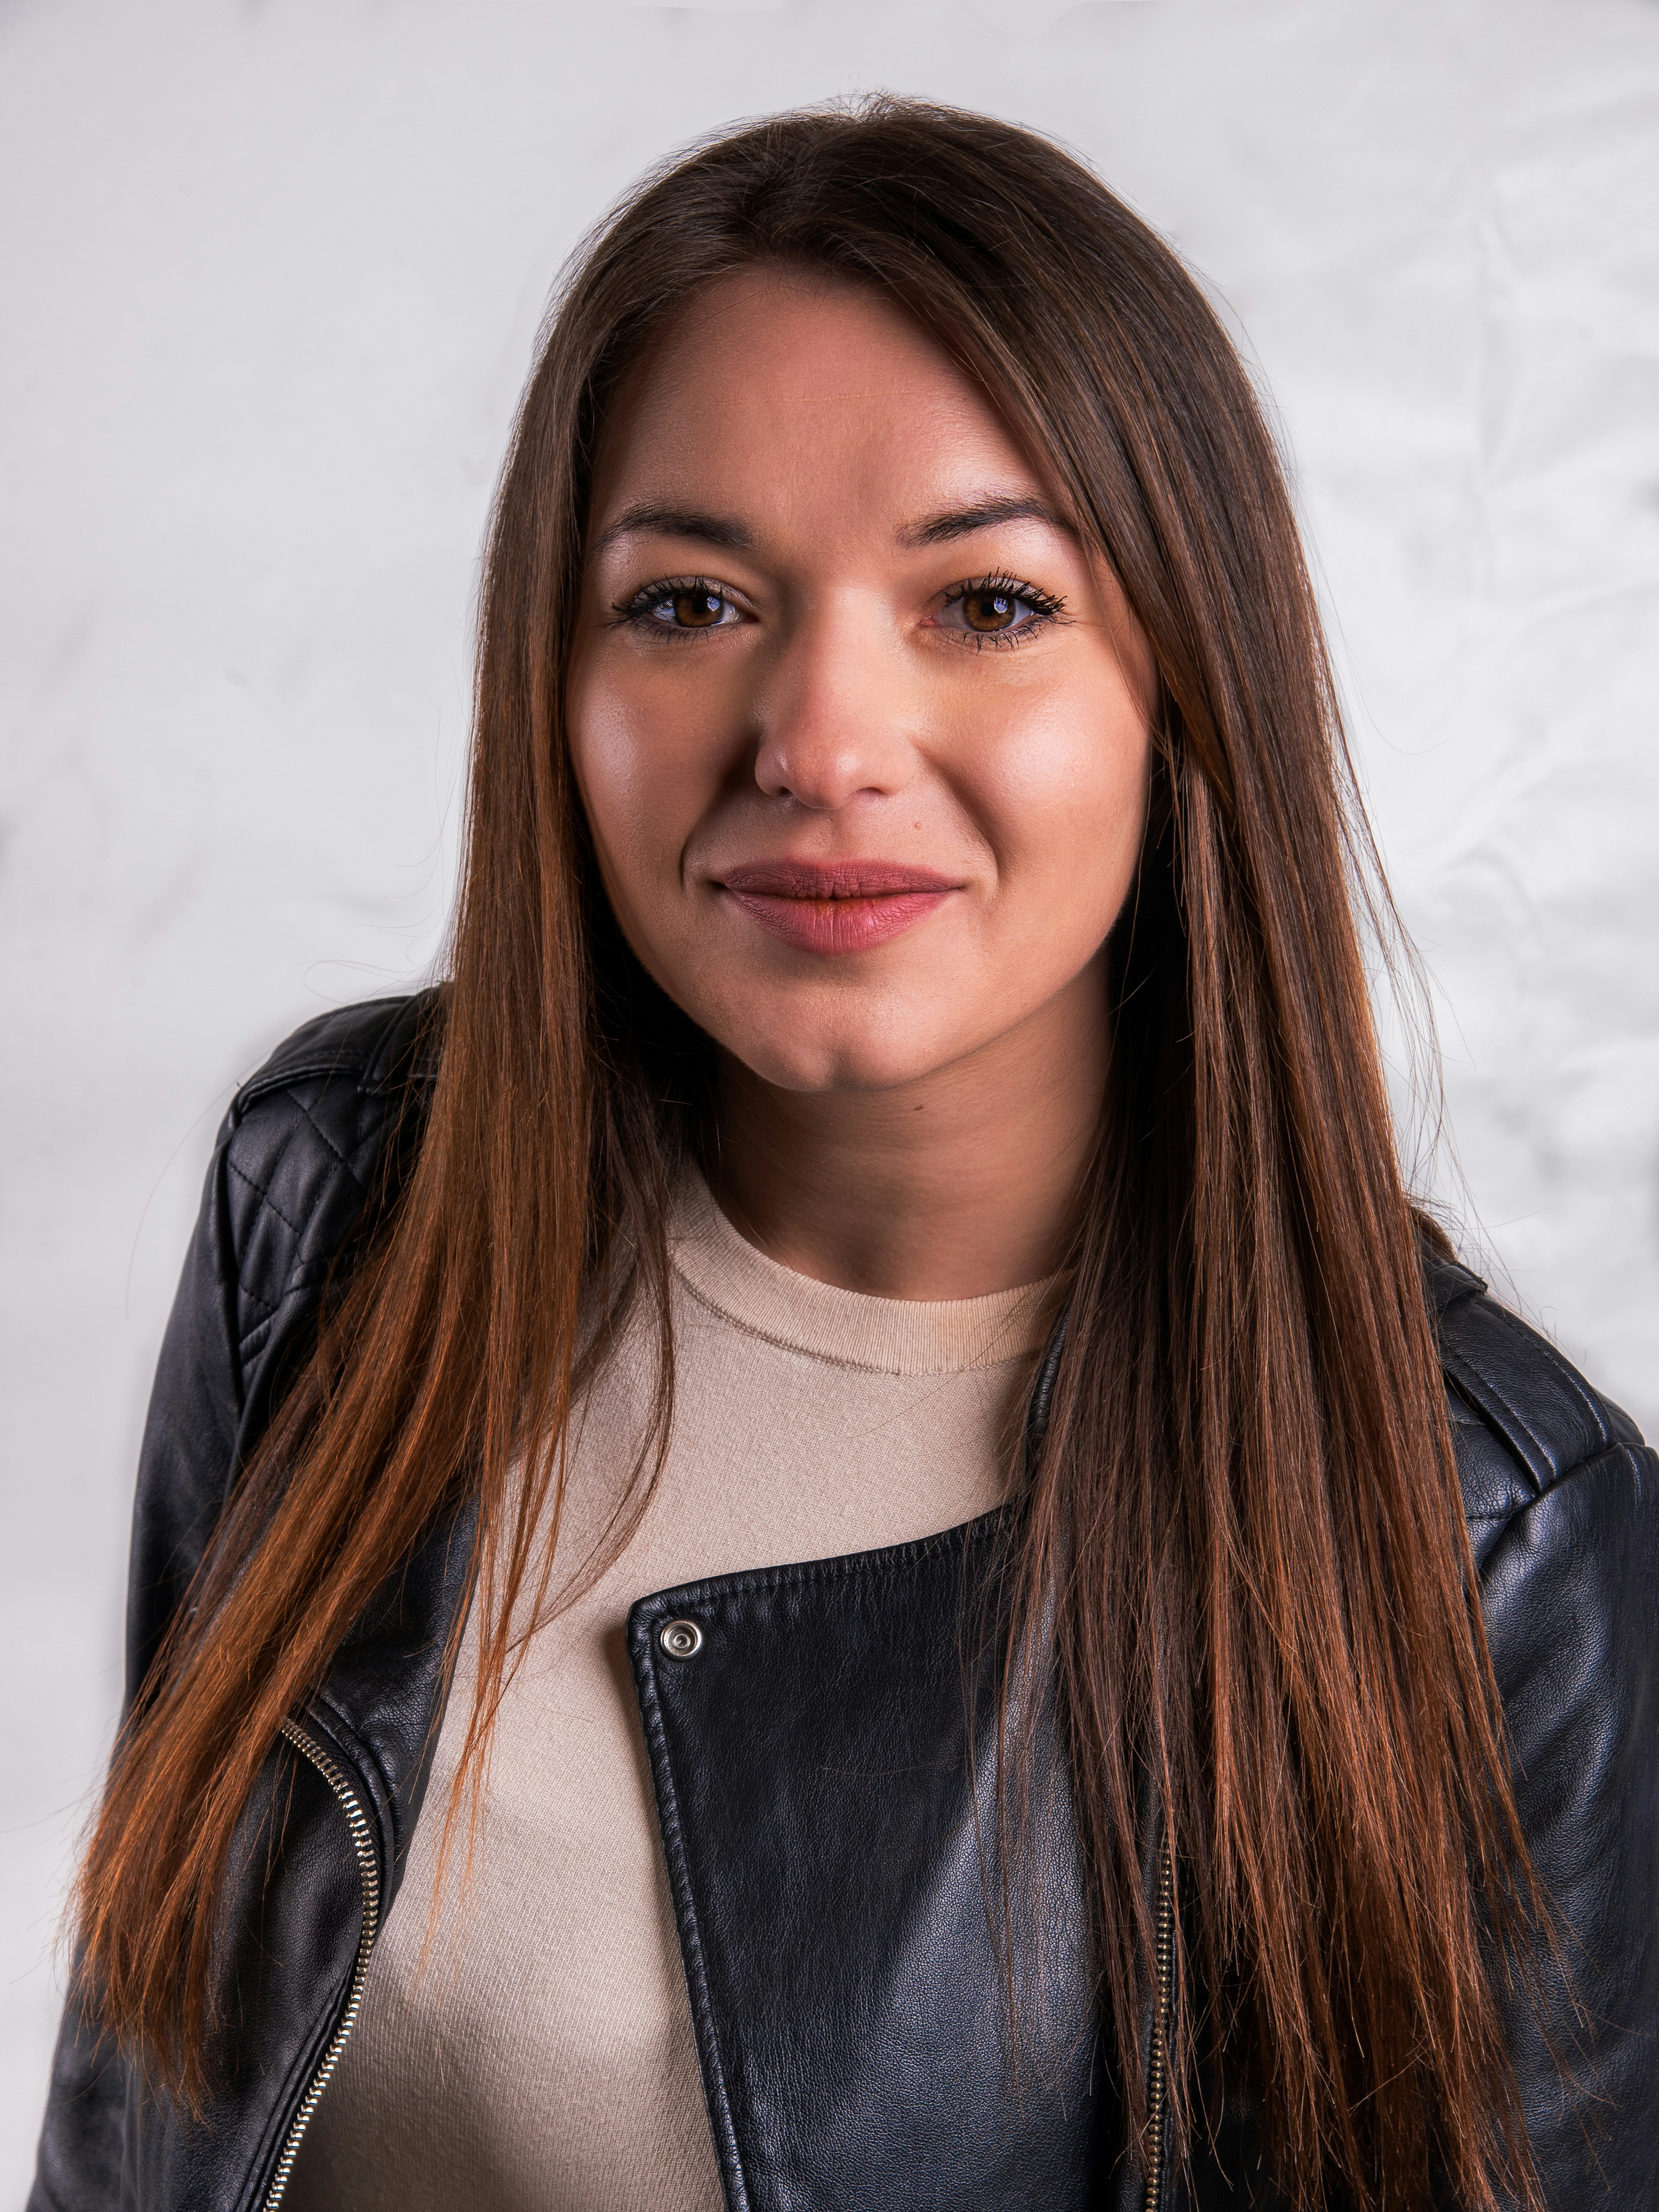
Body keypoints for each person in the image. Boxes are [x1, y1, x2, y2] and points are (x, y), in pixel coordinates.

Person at [31, 98, 1657, 2212]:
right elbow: (133, 2111)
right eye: (692, 600)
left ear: (1184, 688)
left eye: (984, 602)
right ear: (553, 677)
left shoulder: (1486, 1531)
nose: (818, 742)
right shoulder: (339, 1204)